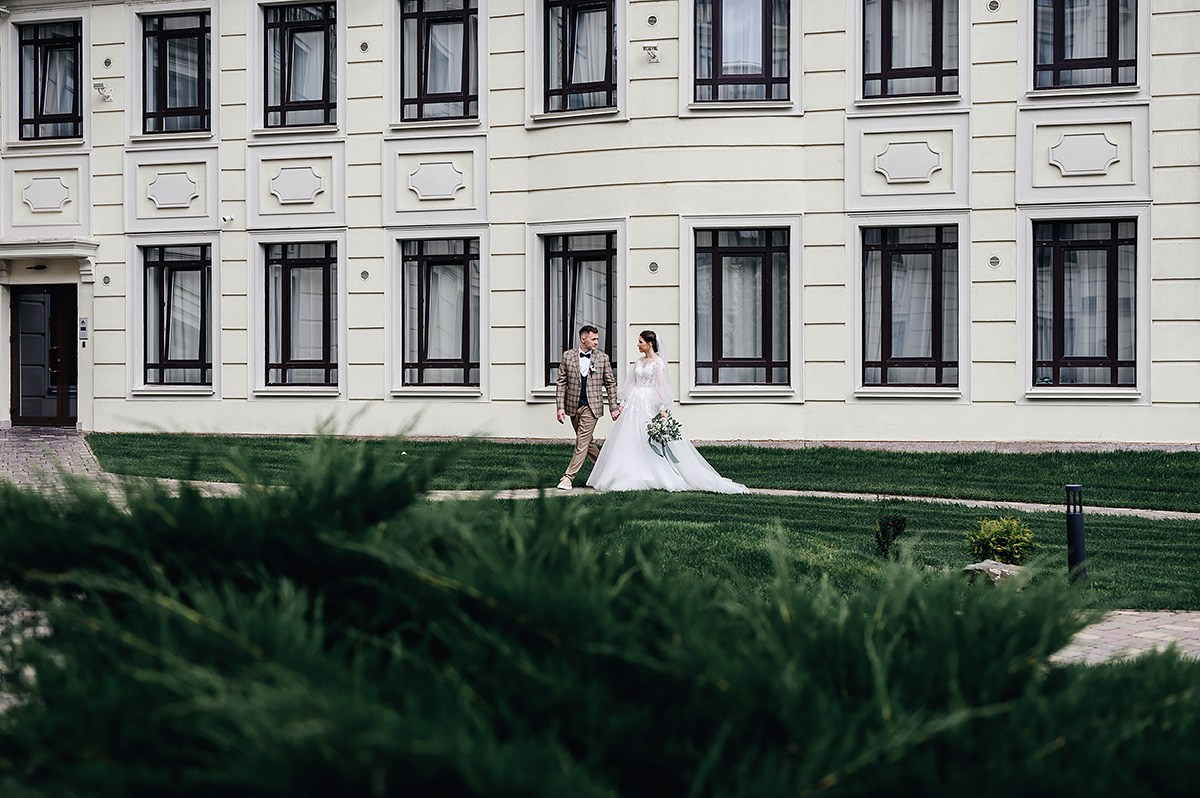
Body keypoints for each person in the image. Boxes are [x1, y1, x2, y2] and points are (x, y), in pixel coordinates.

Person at [587, 330, 749, 493]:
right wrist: (622, 404)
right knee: (629, 438)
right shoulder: (638, 362)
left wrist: (662, 408)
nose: (638, 344)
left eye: (640, 342)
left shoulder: (658, 364)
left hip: (648, 402)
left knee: (647, 437)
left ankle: (655, 473)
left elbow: (661, 387)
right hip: (634, 402)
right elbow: (630, 384)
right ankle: (625, 473)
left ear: (649, 344)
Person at [556, 324, 620, 490]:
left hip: (592, 407)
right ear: (583, 339)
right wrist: (560, 407)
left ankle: (568, 477)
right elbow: (561, 383)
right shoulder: (568, 356)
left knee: (582, 442)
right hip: (572, 406)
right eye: (594, 339)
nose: (597, 342)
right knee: (588, 443)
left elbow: (610, 384)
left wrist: (614, 406)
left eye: (597, 339)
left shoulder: (602, 358)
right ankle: (607, 470)